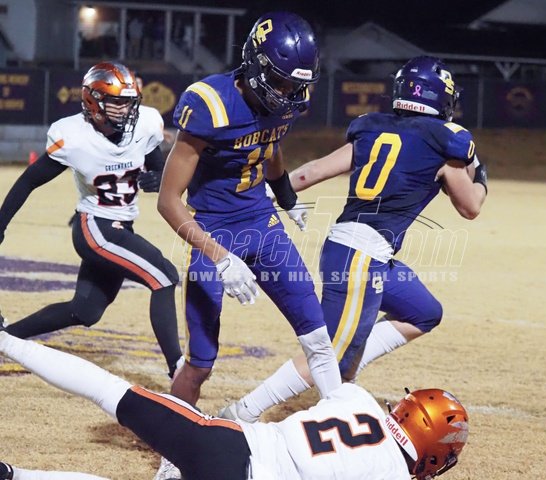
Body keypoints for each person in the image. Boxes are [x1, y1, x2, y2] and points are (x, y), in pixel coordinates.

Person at [220, 56, 488, 423]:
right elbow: (471, 206)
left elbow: (310, 173)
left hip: (355, 250)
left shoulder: (373, 128)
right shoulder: (446, 142)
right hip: (362, 258)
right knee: (327, 355)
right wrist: (481, 175)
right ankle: (242, 412)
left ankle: (350, 360)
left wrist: (267, 194)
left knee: (424, 312)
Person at [0, 318, 469, 480]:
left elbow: (325, 365)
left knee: (109, 389)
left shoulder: (359, 399)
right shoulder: (391, 474)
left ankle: (5, 341)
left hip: (226, 441)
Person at [157, 12, 341, 407]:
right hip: (214, 229)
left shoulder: (288, 100)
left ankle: (339, 421)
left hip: (264, 225)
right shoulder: (210, 103)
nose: (288, 93)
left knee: (318, 338)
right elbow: (168, 201)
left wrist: (286, 196)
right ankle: (170, 439)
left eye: (296, 85)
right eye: (281, 82)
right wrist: (220, 257)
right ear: (255, 64)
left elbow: (270, 145)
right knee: (201, 363)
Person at [0, 61, 183, 378]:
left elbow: (157, 170)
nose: (125, 109)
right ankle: (178, 370)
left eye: (128, 102)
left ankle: (6, 338)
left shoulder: (145, 124)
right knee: (163, 276)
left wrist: (158, 178)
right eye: (116, 102)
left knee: (85, 311)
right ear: (93, 101)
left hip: (121, 227)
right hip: (95, 227)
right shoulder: (73, 136)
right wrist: (2, 223)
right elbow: (29, 180)